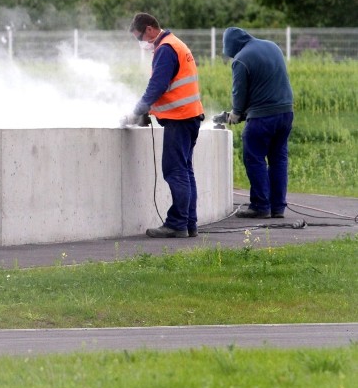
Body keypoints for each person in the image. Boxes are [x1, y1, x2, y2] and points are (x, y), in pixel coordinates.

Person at [124, 13, 205, 238]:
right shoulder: (175, 44)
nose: (141, 42)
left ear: (150, 29)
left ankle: (177, 224)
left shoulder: (166, 49)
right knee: (185, 170)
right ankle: (189, 223)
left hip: (179, 120)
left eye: (140, 37)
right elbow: (172, 87)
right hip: (190, 117)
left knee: (175, 171)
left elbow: (157, 85)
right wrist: (149, 111)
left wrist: (137, 111)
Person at [222, 26, 294, 219]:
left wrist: (236, 113)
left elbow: (239, 91)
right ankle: (277, 207)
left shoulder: (241, 59)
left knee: (254, 159)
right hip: (286, 113)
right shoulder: (272, 46)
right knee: (278, 160)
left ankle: (261, 206)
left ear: (232, 46)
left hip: (262, 118)